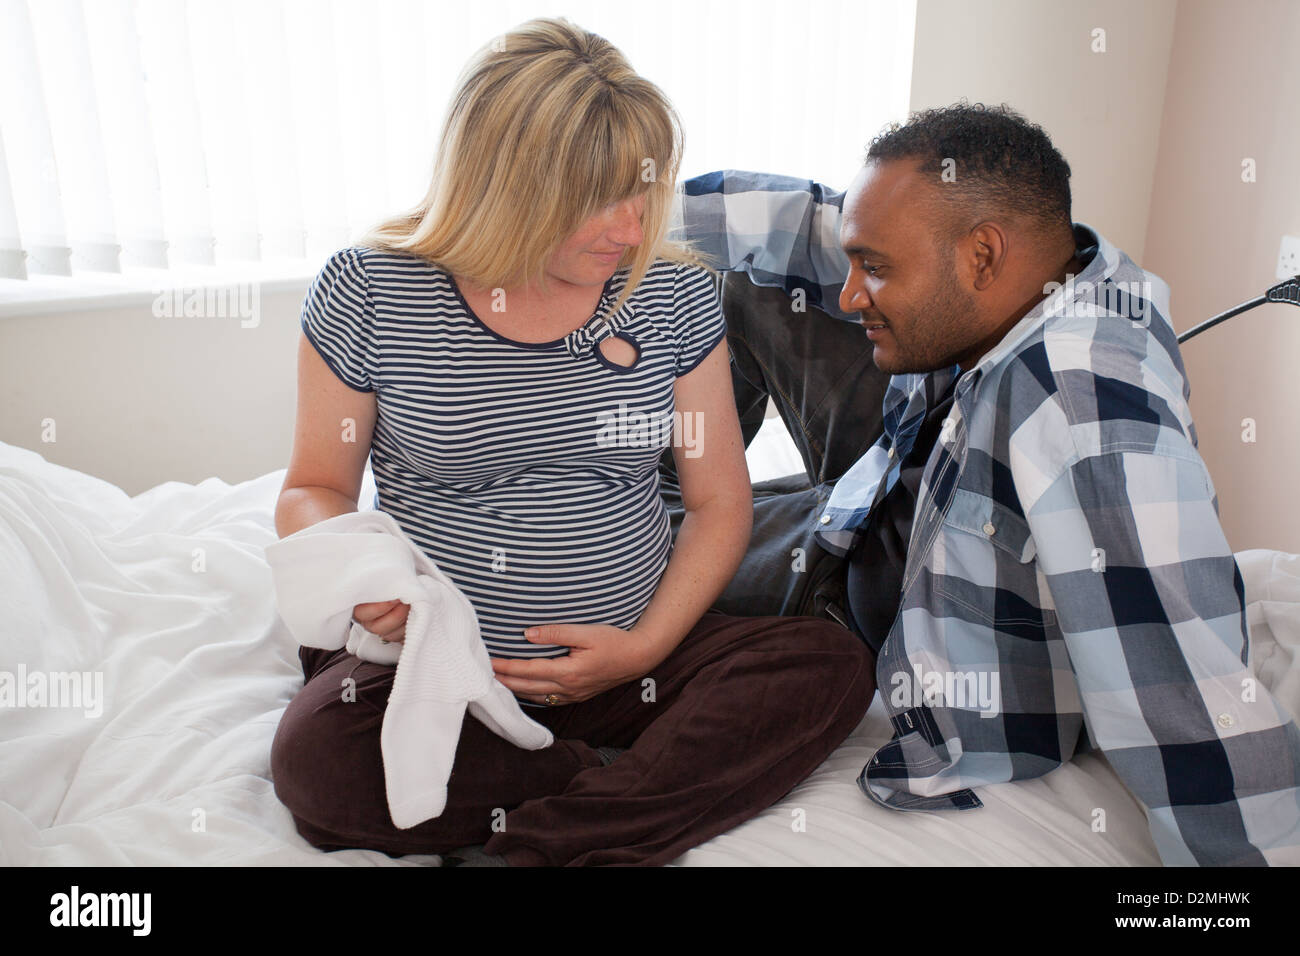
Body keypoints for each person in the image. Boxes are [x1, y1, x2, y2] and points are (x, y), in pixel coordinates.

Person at [268, 17, 874, 867]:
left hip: (632, 661)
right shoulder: (372, 290)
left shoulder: (669, 292)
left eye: (643, 193)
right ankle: (603, 781)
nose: (629, 231)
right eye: (597, 199)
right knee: (318, 767)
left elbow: (717, 502)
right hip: (445, 670)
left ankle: (547, 830)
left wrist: (647, 647)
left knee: (831, 666)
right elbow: (311, 490)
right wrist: (364, 582)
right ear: (501, 180)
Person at [665, 103, 1300, 866]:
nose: (850, 294)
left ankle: (651, 521)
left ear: (983, 257)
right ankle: (662, 483)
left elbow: (1184, 697)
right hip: (896, 479)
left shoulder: (1078, 416)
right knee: (743, 273)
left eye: (876, 269)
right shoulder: (1054, 269)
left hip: (853, 588)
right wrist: (596, 215)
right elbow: (804, 223)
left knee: (641, 556)